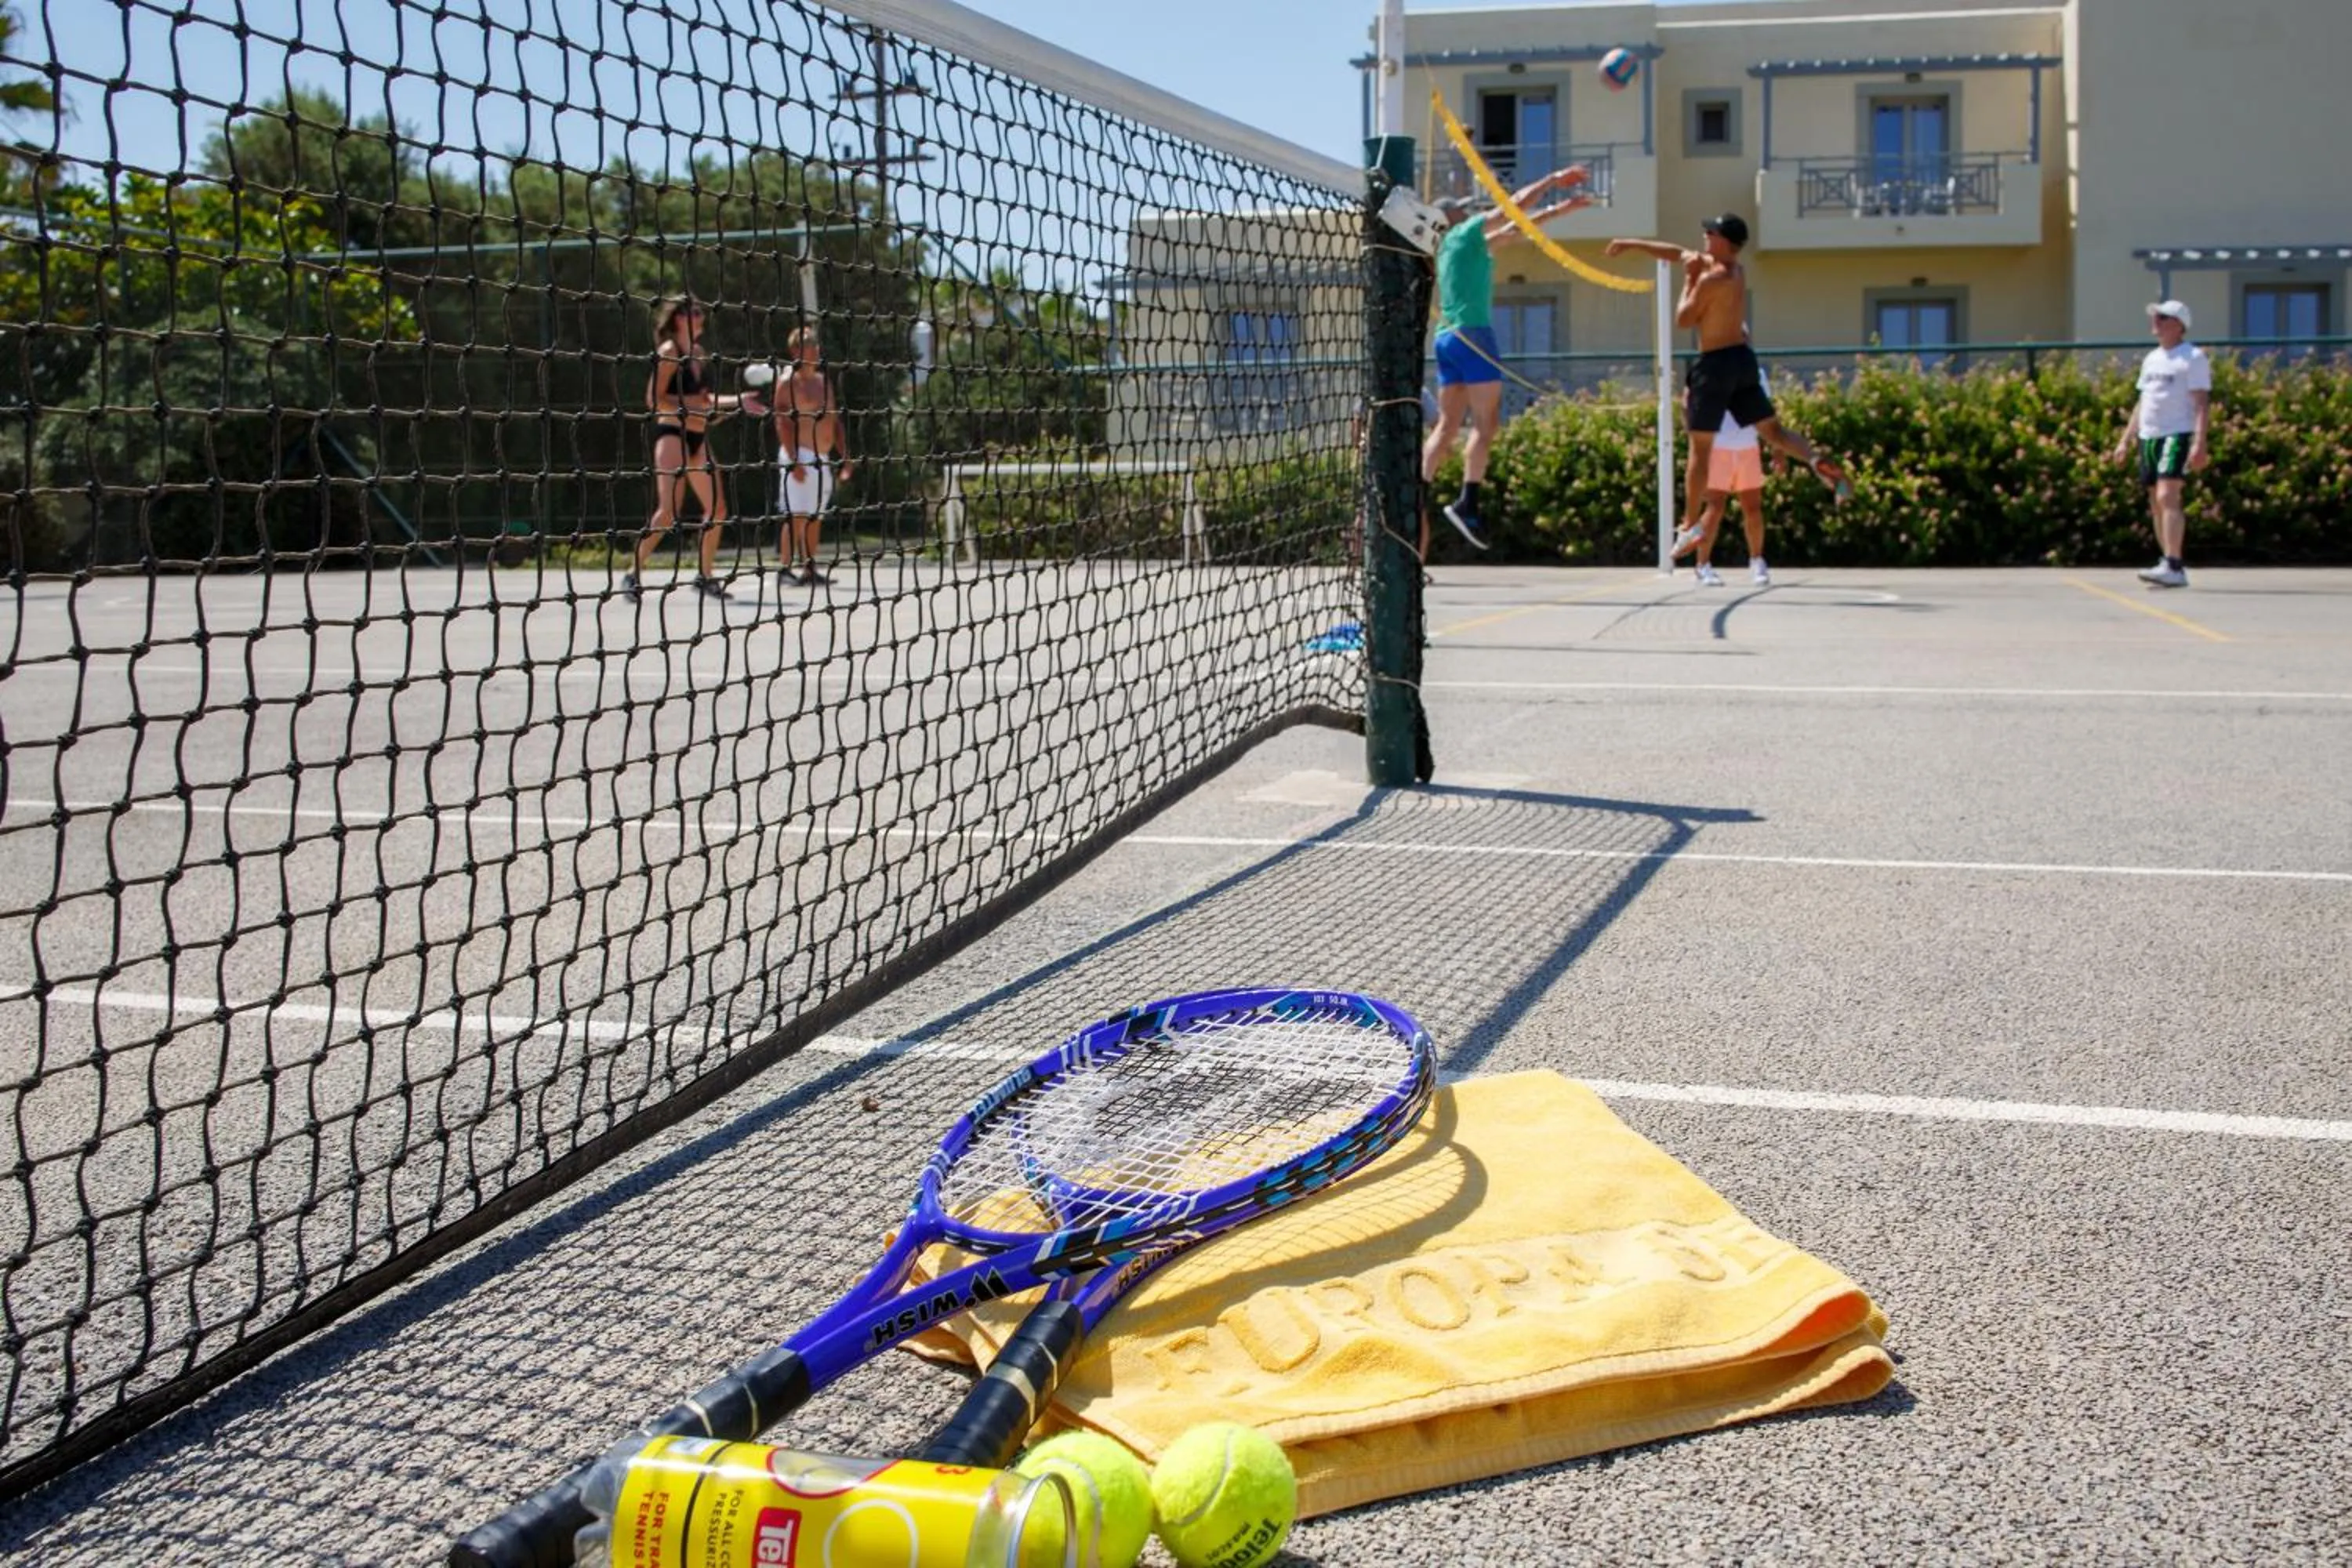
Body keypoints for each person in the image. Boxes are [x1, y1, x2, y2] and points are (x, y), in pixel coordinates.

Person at [1607, 216, 1850, 546]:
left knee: (1700, 448)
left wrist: (1689, 280)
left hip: (1716, 364)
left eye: (1711, 232)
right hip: (1742, 360)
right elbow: (1677, 253)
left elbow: (1684, 319)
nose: (1704, 235)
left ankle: (1690, 525)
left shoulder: (1712, 278)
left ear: (1724, 241)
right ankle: (1814, 460)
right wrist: (1633, 242)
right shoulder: (1734, 268)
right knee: (1774, 433)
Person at [1425, 167, 1596, 550]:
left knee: (1448, 426)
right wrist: (1553, 180)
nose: (1471, 215)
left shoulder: (1454, 249)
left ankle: (1417, 490)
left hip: (1446, 339)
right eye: (1464, 212)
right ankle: (1468, 502)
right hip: (1473, 335)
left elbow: (1519, 228)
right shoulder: (1464, 234)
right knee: (1486, 426)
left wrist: (1564, 209)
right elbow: (1512, 208)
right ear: (1453, 218)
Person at [628, 297, 764, 601]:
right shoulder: (669, 352)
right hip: (672, 435)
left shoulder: (699, 354)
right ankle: (632, 573)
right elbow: (654, 399)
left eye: (702, 311)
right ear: (678, 318)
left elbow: (706, 401)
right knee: (668, 512)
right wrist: (692, 406)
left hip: (698, 438)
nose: (701, 316)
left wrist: (738, 401)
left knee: (717, 508)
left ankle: (704, 575)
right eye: (695, 312)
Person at [2111, 299, 2212, 589]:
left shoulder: (2192, 357)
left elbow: (2201, 403)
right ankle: (2166, 561)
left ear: (2178, 324)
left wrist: (2199, 441)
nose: (2155, 321)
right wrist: (2125, 440)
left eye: (2162, 317)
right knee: (2156, 500)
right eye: (2155, 317)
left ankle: (2174, 564)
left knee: (2169, 496)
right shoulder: (2152, 358)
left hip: (2176, 433)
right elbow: (2143, 401)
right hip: (2149, 436)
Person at [772, 325, 853, 589]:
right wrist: (794, 461)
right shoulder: (788, 382)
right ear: (796, 349)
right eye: (809, 344)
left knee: (815, 516)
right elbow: (782, 423)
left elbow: (834, 420)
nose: (816, 349)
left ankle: (810, 568)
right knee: (796, 514)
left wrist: (845, 456)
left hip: (822, 457)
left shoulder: (822, 381)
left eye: (816, 344)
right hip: (799, 455)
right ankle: (784, 568)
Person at [1679, 403, 1784, 586]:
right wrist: (1695, 443)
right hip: (1717, 448)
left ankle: (1757, 561)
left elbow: (1767, 414)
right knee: (1715, 507)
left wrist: (1777, 448)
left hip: (1748, 448)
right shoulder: (1709, 375)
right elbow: (1687, 404)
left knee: (1753, 508)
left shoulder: (1756, 374)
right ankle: (1702, 565)